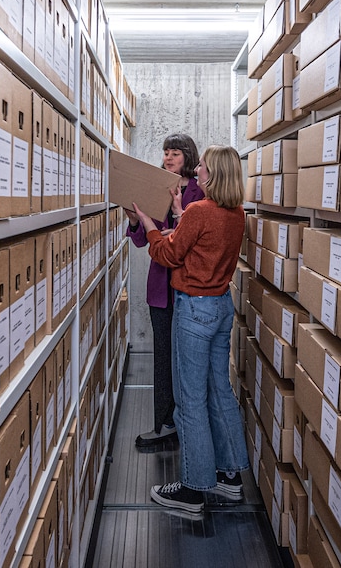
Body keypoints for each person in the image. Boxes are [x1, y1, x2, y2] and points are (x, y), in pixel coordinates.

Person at [132, 145, 248, 514]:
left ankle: (193, 489)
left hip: (194, 310)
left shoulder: (200, 212)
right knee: (220, 391)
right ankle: (230, 478)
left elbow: (168, 255)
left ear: (214, 174)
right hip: (220, 307)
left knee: (190, 401)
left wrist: (150, 225)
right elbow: (203, 243)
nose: (197, 170)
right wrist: (181, 213)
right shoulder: (236, 214)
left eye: (202, 166)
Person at [124, 133, 204, 451]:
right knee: (163, 358)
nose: (169, 158)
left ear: (188, 156)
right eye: (166, 152)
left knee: (186, 361)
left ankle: (187, 424)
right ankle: (165, 424)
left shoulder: (201, 191)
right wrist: (135, 221)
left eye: (175, 153)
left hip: (191, 288)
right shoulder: (157, 187)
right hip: (162, 290)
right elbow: (144, 240)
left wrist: (180, 232)